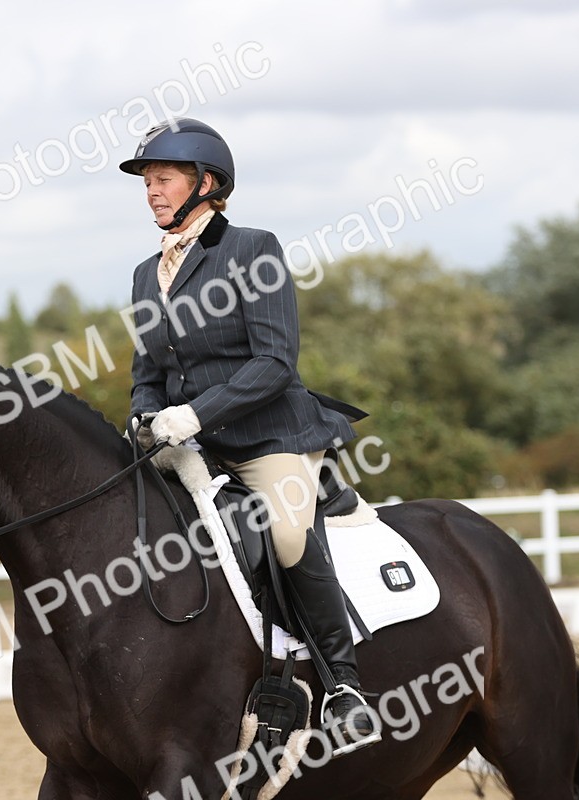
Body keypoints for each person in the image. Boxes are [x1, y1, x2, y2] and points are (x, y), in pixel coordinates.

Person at [120, 117, 380, 757]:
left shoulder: (252, 250)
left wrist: (194, 415)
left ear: (206, 183)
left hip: (268, 436)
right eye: (147, 181)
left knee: (287, 532)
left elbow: (274, 362)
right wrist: (145, 418)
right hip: (189, 446)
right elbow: (148, 372)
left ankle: (342, 686)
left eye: (164, 178)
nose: (152, 191)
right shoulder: (145, 274)